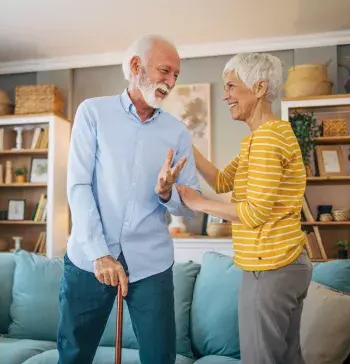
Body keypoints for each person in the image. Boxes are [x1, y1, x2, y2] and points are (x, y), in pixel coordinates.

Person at [57, 34, 200, 364]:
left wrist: (167, 193)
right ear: (136, 66)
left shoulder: (177, 132)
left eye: (176, 75)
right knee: (73, 355)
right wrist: (99, 253)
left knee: (160, 357)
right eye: (165, 71)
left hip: (151, 262)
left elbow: (189, 203)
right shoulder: (92, 112)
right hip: (88, 258)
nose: (171, 81)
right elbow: (78, 185)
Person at [175, 52, 313, 364]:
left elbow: (253, 213)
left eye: (232, 86)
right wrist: (185, 141)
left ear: (260, 87)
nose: (226, 95)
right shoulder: (260, 138)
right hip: (285, 262)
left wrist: (197, 203)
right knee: (287, 358)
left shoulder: (267, 140)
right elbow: (223, 180)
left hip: (271, 266)